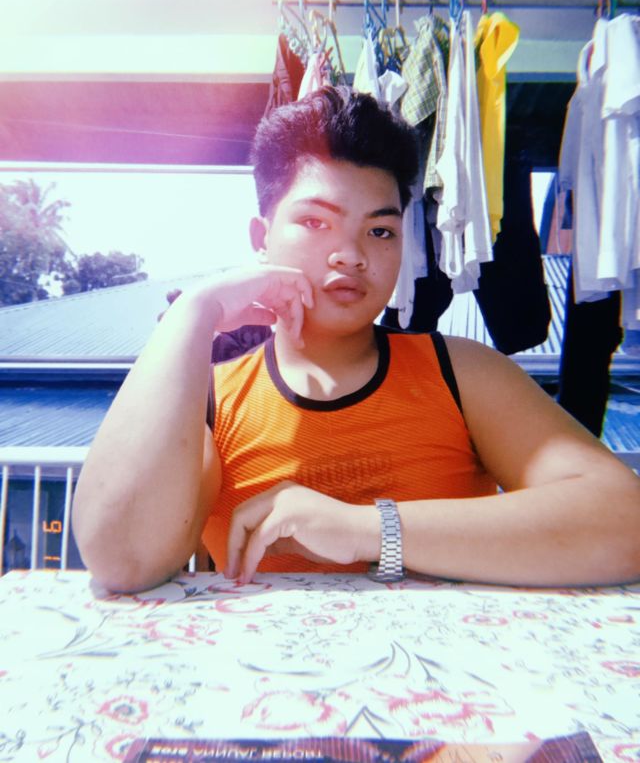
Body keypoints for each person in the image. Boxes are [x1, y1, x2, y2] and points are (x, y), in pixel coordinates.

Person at [72, 87, 640, 593]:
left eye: (380, 230)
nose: (351, 254)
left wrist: (365, 529)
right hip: (263, 676)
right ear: (261, 238)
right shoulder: (212, 401)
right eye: (316, 222)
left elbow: (624, 523)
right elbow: (124, 560)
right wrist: (193, 314)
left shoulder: (461, 372)